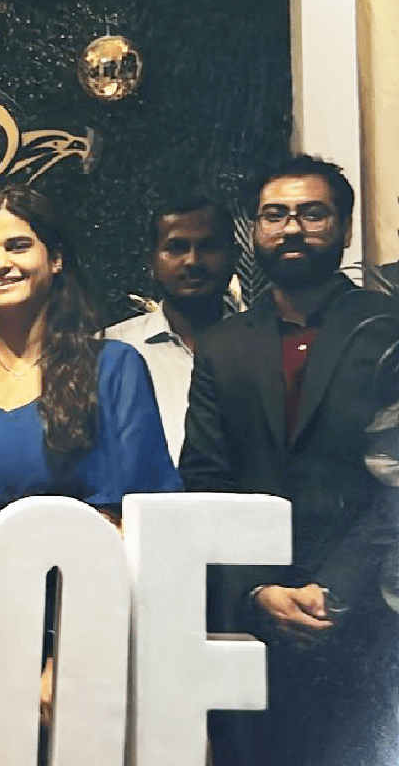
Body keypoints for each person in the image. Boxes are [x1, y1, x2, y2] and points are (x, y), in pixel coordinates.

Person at [0, 185, 182, 766]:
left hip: (78, 628)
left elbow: (127, 521)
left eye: (18, 246)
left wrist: (68, 652)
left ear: (57, 258)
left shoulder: (114, 368)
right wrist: (47, 536)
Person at [180, 154, 399, 766]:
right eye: (274, 215)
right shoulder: (223, 347)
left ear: (346, 228)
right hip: (254, 629)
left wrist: (333, 590)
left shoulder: (388, 328)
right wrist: (257, 590)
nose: (292, 228)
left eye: (312, 213)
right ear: (255, 231)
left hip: (371, 622)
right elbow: (206, 480)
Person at [105, 196, 237, 462]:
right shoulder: (108, 350)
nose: (192, 261)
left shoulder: (264, 347)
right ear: (151, 260)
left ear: (235, 257)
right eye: (176, 248)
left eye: (209, 247)